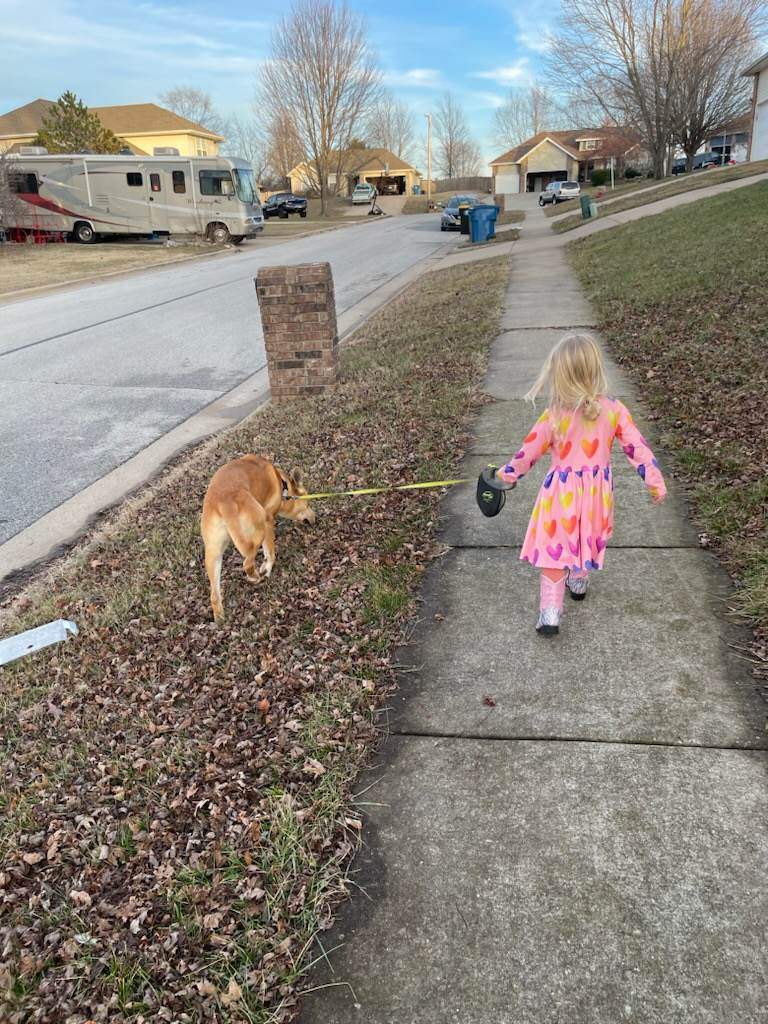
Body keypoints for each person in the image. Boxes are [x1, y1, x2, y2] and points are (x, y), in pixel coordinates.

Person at [497, 333, 667, 637]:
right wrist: (654, 481)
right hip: (596, 496)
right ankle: (578, 580)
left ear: (559, 375)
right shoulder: (614, 410)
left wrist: (505, 476)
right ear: (596, 370)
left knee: (554, 548)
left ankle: (550, 613)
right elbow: (637, 448)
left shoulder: (554, 415)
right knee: (586, 534)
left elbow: (528, 453)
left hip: (560, 495)